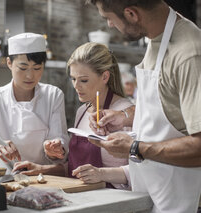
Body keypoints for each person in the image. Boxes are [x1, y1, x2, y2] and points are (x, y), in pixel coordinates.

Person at [86, 0, 201, 213]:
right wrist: (125, 116)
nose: (109, 24)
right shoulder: (157, 39)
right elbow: (170, 106)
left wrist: (135, 148)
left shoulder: (192, 55)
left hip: (190, 203)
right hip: (162, 194)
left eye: (108, 17)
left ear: (132, 14)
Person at [13, 42, 134, 189]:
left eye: (83, 80)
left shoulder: (125, 113)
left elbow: (141, 172)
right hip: (82, 198)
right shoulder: (82, 112)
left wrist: (101, 174)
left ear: (105, 77)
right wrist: (41, 169)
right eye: (73, 79)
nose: (76, 86)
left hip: (114, 203)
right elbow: (74, 168)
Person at [0, 33, 69, 172]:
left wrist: (55, 150)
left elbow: (60, 142)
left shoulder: (53, 95)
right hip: (6, 181)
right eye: (23, 68)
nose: (30, 75)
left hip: (45, 179)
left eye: (37, 68)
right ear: (9, 63)